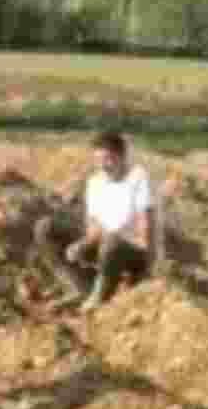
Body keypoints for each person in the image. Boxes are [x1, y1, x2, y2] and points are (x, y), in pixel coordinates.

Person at [33, 130, 155, 312]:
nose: (103, 166)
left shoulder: (138, 178)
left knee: (112, 241)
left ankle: (100, 296)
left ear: (122, 156)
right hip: (104, 244)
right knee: (45, 227)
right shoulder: (95, 182)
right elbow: (93, 226)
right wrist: (83, 244)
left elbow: (142, 230)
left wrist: (104, 237)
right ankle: (79, 287)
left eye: (108, 159)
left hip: (131, 250)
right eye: (99, 161)